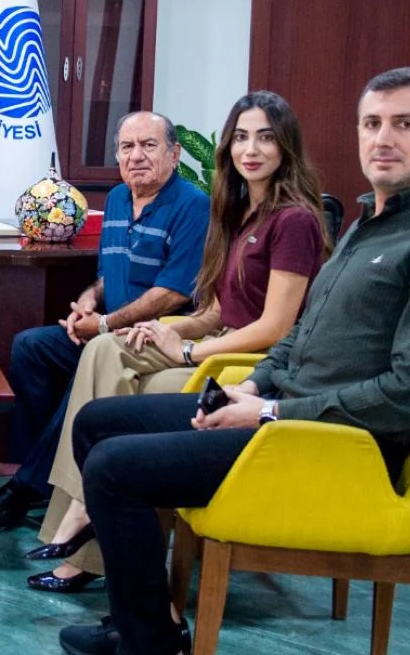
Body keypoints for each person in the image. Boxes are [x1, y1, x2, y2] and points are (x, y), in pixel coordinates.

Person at [58, 67, 410, 655]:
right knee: (98, 424)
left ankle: (150, 642)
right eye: (372, 124)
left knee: (113, 468)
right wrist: (252, 386)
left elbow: (406, 395)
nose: (383, 139)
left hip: (332, 447)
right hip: (283, 411)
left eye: (405, 124)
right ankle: (143, 618)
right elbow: (301, 334)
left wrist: (269, 411)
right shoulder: (371, 224)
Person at [29, 91, 330, 594]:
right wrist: (170, 330)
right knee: (107, 346)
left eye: (265, 138)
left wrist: (188, 351)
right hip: (217, 337)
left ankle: (85, 520)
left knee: (123, 382)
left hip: (252, 363)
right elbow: (217, 310)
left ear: (286, 147)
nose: (251, 149)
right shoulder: (239, 212)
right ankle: (85, 509)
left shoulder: (294, 220)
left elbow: (275, 329)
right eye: (241, 137)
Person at [0, 111, 210, 534]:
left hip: (154, 339)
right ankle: (40, 475)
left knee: (90, 357)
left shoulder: (193, 205)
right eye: (127, 147)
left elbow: (174, 293)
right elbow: (109, 273)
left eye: (149, 145)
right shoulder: (117, 199)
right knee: (31, 347)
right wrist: (90, 299)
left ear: (174, 153)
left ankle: (24, 489)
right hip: (111, 327)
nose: (136, 156)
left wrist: (106, 324)